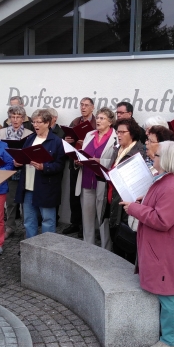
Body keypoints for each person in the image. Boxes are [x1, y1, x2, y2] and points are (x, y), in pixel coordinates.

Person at [121, 141, 174, 347]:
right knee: (166, 293)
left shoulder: (171, 184)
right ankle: (167, 336)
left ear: (168, 159)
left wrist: (134, 208)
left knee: (169, 294)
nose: (153, 157)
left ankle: (170, 340)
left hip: (166, 251)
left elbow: (163, 220)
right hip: (163, 249)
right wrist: (145, 201)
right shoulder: (168, 180)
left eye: (157, 155)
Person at [14, 109, 66, 238]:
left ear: (47, 123)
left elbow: (60, 165)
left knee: (48, 221)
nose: (35, 125)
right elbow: (24, 157)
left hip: (46, 187)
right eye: (34, 122)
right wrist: (18, 163)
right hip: (28, 186)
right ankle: (30, 249)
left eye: (39, 122)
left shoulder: (56, 141)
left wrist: (44, 167)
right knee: (28, 221)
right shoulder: (30, 139)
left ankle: (48, 249)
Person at [75, 107, 117, 250]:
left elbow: (115, 160)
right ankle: (88, 247)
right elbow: (83, 154)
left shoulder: (116, 137)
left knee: (103, 218)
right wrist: (78, 161)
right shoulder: (90, 134)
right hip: (86, 179)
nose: (98, 121)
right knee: (87, 217)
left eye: (102, 118)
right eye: (97, 118)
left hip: (103, 182)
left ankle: (106, 249)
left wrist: (100, 161)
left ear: (110, 122)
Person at [107, 118, 144, 262]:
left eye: (123, 132)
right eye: (117, 132)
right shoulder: (117, 149)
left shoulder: (139, 152)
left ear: (133, 133)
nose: (119, 135)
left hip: (126, 206)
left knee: (126, 244)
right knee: (115, 242)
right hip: (112, 200)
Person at [0, 106, 34, 238]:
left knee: (26, 202)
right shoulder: (1, 133)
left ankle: (27, 228)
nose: (15, 119)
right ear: (9, 118)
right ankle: (10, 227)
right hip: (9, 170)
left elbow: (31, 154)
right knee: (11, 201)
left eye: (18, 117)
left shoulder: (29, 133)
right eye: (12, 117)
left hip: (24, 170)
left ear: (23, 119)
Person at [62, 97, 96, 237]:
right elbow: (67, 139)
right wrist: (67, 140)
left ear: (92, 108)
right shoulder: (75, 122)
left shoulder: (96, 123)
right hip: (74, 161)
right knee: (73, 195)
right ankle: (75, 222)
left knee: (86, 195)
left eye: (86, 105)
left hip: (88, 163)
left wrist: (86, 141)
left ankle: (85, 226)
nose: (83, 107)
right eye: (81, 105)